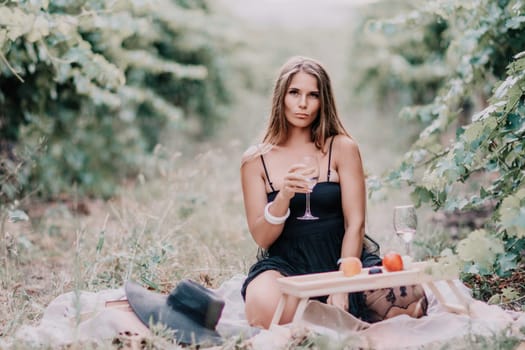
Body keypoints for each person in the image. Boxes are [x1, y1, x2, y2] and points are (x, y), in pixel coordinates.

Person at [239, 56, 427, 329]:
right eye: (294, 93)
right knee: (262, 305)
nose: (302, 103)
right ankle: (338, 321)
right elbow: (263, 238)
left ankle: (323, 318)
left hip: (346, 257)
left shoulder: (342, 147)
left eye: (312, 95)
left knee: (410, 301)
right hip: (288, 264)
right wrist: (284, 197)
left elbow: (355, 224)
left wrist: (342, 284)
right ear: (281, 96)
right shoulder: (256, 160)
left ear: (322, 101)